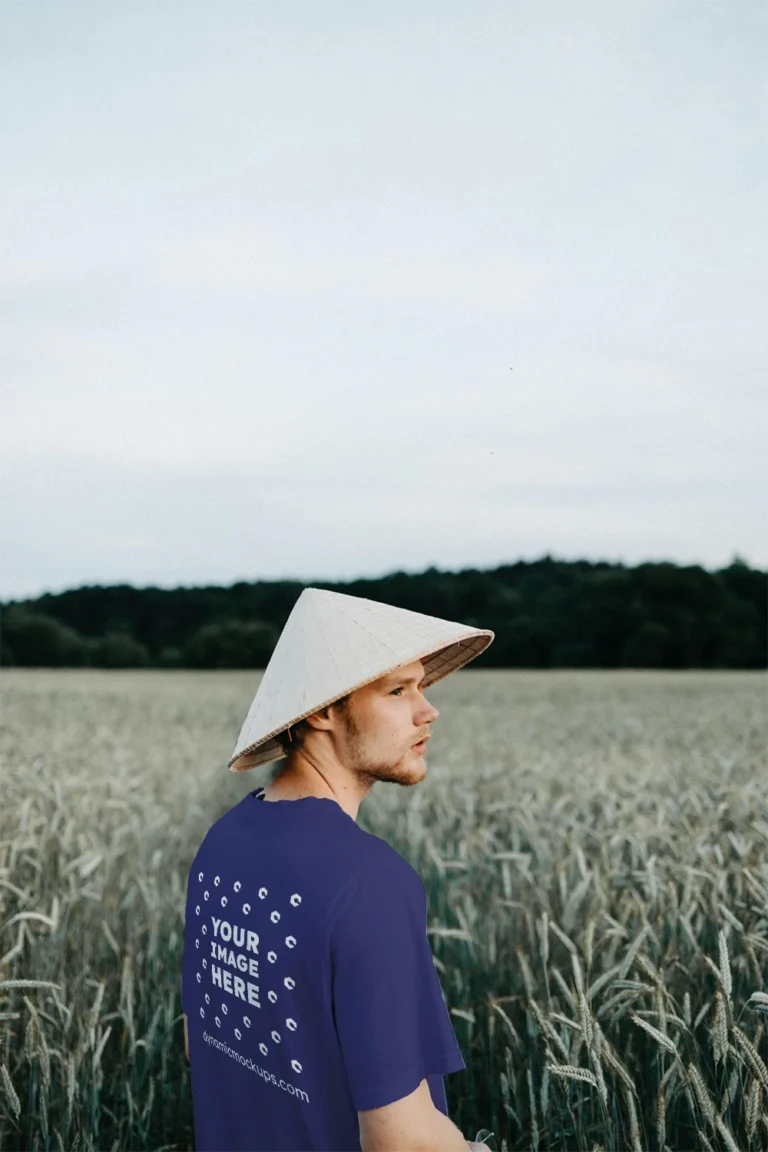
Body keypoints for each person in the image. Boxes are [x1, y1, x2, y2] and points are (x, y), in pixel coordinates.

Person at [181, 587, 494, 1151]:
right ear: (324, 708)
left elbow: (201, 1039)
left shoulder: (221, 843)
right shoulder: (368, 881)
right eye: (398, 690)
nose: (429, 710)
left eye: (422, 686)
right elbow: (403, 1141)